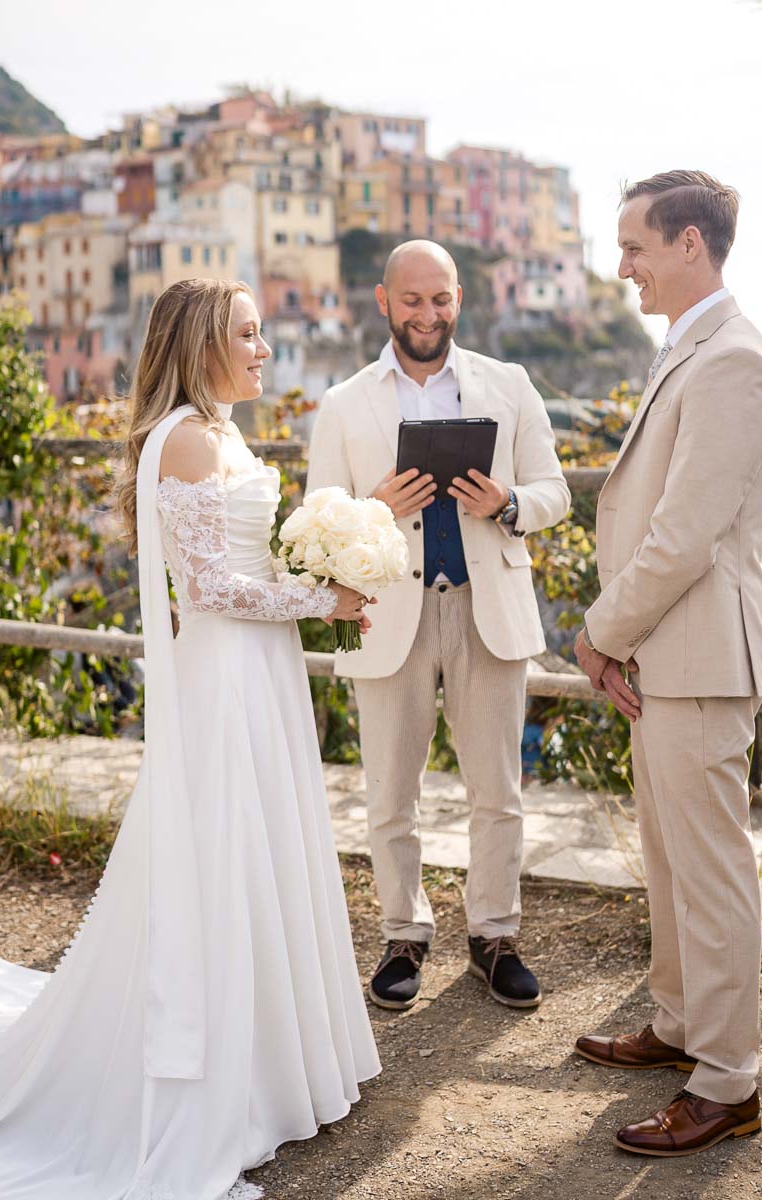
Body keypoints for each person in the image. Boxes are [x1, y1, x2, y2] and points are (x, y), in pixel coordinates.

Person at [0, 279, 380, 1199]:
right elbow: (209, 593)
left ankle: (275, 1056)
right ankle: (224, 1071)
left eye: (263, 332)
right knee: (222, 856)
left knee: (257, 848)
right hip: (226, 677)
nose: (265, 347)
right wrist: (323, 597)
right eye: (248, 333)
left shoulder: (221, 432)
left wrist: (325, 557)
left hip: (258, 673)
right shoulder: (186, 439)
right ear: (200, 343)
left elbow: (248, 561)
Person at [570, 171, 762, 1157]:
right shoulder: (693, 348)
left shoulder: (733, 360)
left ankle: (729, 1081)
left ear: (690, 244)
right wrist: (627, 639)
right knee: (667, 863)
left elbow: (685, 534)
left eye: (636, 246)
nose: (624, 267)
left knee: (710, 875)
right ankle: (679, 1025)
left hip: (697, 656)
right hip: (670, 653)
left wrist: (600, 631)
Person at [307, 240, 570, 1012]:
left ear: (460, 299)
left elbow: (554, 489)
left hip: (488, 608)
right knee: (390, 791)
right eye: (412, 300)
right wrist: (372, 509)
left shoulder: (510, 384)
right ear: (384, 302)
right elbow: (319, 521)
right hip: (386, 611)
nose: (428, 315)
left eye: (441, 299)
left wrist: (509, 504)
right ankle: (401, 935)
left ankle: (495, 935)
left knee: (500, 788)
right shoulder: (342, 404)